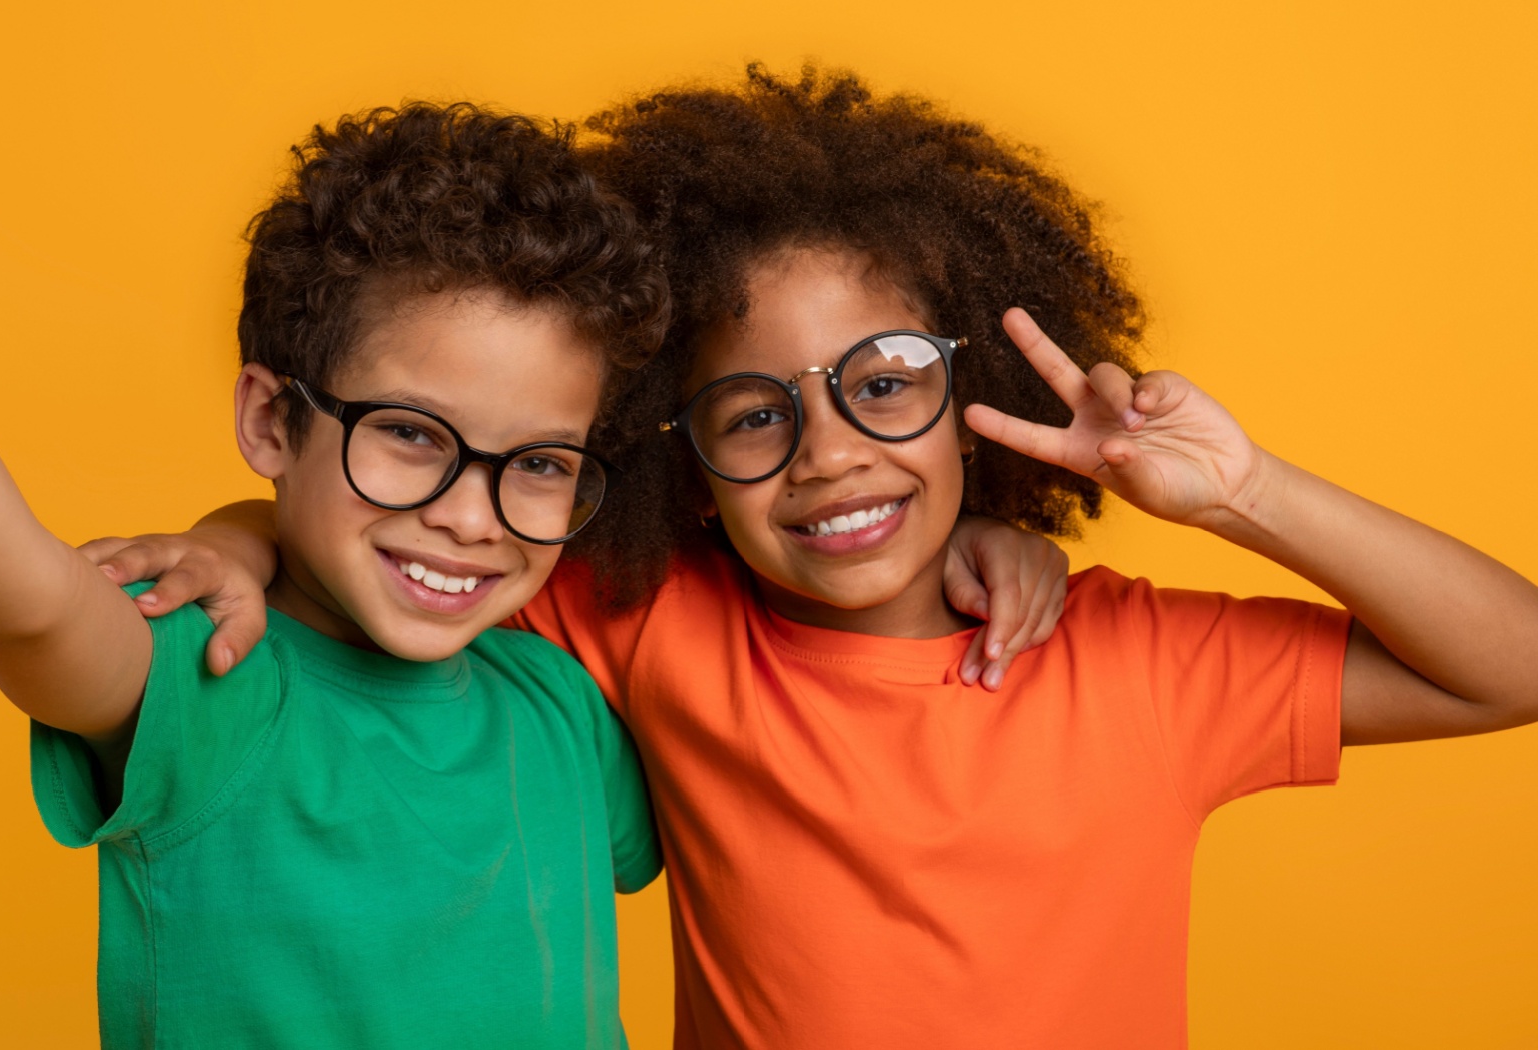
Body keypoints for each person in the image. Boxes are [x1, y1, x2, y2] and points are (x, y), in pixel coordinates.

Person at [86, 66, 1538, 1049]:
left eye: (888, 380)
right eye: (753, 412)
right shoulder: (650, 626)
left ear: (981, 392)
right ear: (675, 453)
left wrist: (1244, 494)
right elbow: (405, 532)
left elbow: (1511, 662)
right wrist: (238, 541)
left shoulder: (1137, 658)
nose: (831, 449)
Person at [0, 102, 672, 1049]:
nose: (469, 516)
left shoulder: (560, 705)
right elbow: (26, 602)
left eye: (538, 463)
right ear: (273, 423)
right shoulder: (213, 672)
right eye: (410, 434)